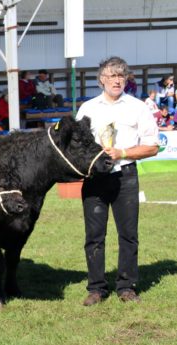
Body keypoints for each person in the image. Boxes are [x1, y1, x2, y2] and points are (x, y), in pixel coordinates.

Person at [76, 56, 159, 306]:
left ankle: (126, 286)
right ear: (101, 79)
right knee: (94, 236)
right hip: (95, 178)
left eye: (121, 75)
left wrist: (122, 153)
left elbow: (152, 147)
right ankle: (96, 289)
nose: (117, 80)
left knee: (129, 235)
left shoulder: (138, 107)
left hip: (126, 176)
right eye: (112, 75)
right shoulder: (87, 108)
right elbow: (77, 145)